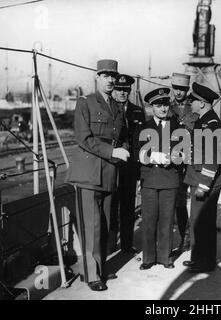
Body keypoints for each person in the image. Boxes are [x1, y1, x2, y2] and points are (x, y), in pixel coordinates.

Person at [66, 59, 129, 291]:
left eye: (113, 76)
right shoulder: (85, 102)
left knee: (104, 224)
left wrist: (124, 148)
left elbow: (120, 136)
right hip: (89, 172)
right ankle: (92, 275)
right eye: (105, 75)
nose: (111, 80)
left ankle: (100, 267)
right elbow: (83, 138)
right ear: (97, 77)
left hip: (110, 172)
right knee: (92, 226)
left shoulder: (117, 106)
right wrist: (113, 151)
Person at [137, 87, 181, 270]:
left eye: (165, 104)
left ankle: (165, 257)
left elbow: (184, 153)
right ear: (152, 107)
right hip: (150, 180)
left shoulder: (178, 128)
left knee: (167, 219)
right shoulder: (143, 128)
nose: (163, 108)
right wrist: (152, 157)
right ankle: (148, 258)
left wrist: (174, 157)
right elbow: (136, 153)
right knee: (148, 220)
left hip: (170, 179)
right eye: (158, 105)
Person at [183, 82, 221, 273]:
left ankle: (205, 262)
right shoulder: (203, 120)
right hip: (198, 178)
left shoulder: (211, 124)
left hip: (205, 180)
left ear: (201, 103)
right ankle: (199, 258)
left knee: (203, 222)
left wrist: (204, 185)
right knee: (198, 222)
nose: (190, 103)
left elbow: (213, 159)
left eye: (193, 100)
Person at [110, 74, 145, 254]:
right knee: (110, 206)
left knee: (128, 207)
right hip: (111, 165)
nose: (123, 93)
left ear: (130, 90)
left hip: (130, 168)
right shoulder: (108, 109)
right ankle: (109, 246)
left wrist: (140, 169)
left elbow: (142, 142)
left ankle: (126, 244)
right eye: (119, 90)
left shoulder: (138, 111)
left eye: (126, 90)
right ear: (113, 90)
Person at [169, 72, 198, 255]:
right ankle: (184, 239)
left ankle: (194, 240)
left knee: (195, 201)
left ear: (187, 90)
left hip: (193, 161)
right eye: (176, 88)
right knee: (179, 201)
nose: (179, 92)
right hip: (175, 162)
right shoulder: (167, 107)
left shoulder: (195, 108)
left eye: (182, 89)